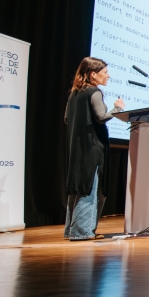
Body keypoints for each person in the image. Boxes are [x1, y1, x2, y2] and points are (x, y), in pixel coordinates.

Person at [64, 57, 125, 241]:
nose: (108, 76)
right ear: (93, 74)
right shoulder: (95, 92)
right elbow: (101, 117)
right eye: (105, 72)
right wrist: (116, 108)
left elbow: (67, 118)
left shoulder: (74, 94)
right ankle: (82, 232)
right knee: (90, 189)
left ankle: (71, 230)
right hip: (92, 148)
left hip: (77, 148)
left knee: (78, 188)